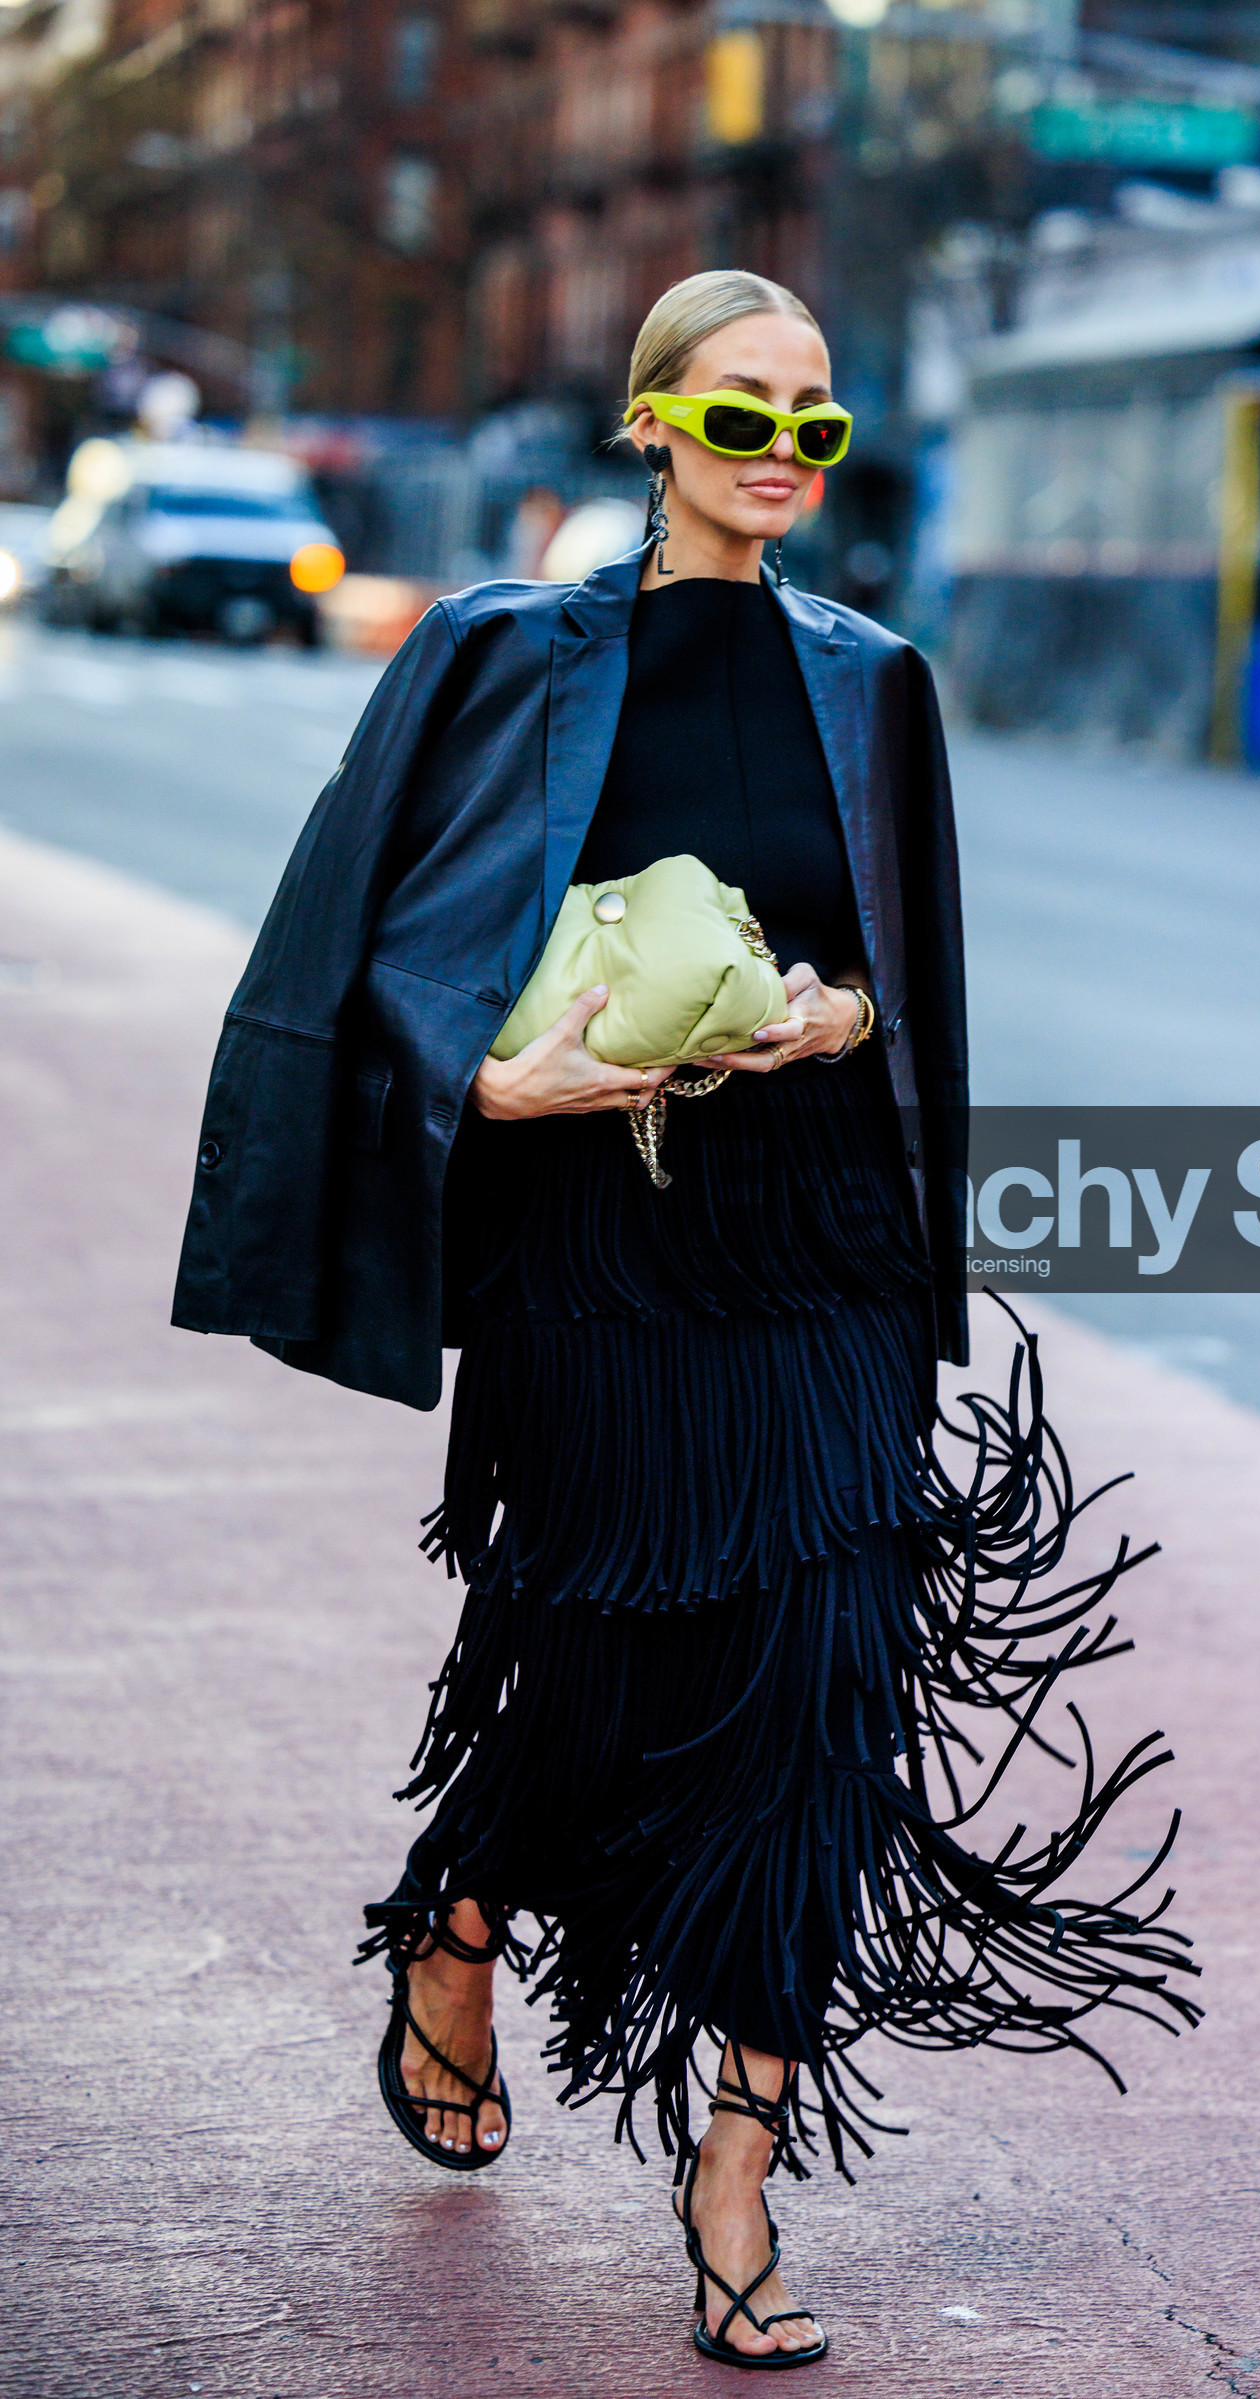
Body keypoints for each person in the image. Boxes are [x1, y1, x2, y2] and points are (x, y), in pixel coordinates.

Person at [173, 269, 1197, 2368]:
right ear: (649, 422)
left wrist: (832, 1012)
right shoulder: (499, 657)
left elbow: (886, 963)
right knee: (609, 1673)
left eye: (816, 421)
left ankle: (733, 2172)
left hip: (807, 1232)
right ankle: (459, 1914)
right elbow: (358, 929)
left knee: (823, 1686)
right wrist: (487, 1075)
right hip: (586, 1243)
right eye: (743, 411)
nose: (781, 452)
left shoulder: (871, 677)